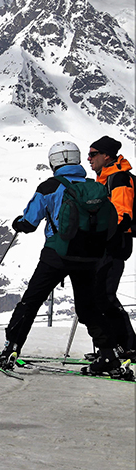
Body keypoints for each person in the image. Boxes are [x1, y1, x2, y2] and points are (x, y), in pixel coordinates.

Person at [2, 141, 123, 375]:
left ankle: (11, 350)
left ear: (54, 162)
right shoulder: (92, 186)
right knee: (88, 307)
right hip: (89, 257)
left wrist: (17, 222)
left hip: (57, 255)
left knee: (31, 301)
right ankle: (108, 356)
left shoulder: (50, 186)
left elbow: (29, 223)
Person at [87, 136, 135, 358]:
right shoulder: (106, 179)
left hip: (115, 243)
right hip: (110, 243)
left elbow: (122, 214)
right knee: (101, 295)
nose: (89, 158)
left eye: (93, 154)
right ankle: (117, 346)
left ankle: (128, 346)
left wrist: (103, 237)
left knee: (105, 295)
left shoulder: (118, 178)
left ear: (106, 155)